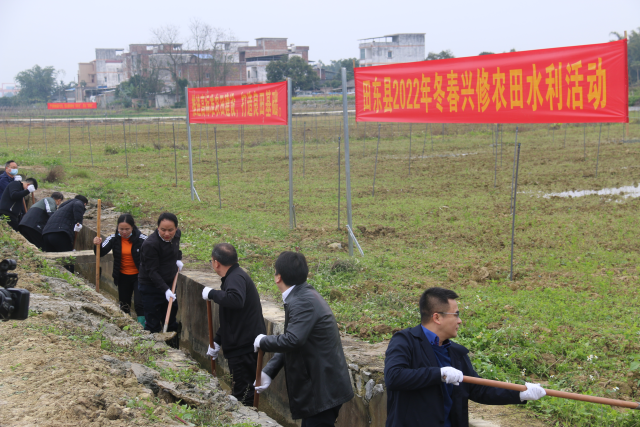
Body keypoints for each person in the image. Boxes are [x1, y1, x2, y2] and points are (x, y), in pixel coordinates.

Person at [384, 287, 546, 427]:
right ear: (437, 317)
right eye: (456, 314)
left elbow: (479, 389)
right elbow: (394, 377)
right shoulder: (405, 341)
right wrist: (438, 374)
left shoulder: (456, 353)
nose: (460, 321)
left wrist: (520, 393)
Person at [253, 251, 353, 426]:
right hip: (321, 387)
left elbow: (292, 340)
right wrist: (269, 371)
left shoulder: (302, 302)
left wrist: (263, 341)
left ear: (278, 277)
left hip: (323, 390)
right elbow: (295, 341)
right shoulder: (302, 295)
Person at [201, 243, 266, 407]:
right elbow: (233, 317)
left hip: (244, 348)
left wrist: (212, 294)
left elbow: (236, 300)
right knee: (242, 390)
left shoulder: (235, 278)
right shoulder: (233, 276)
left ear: (216, 262)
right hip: (242, 344)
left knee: (244, 395)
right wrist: (217, 340)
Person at [93, 214, 147, 326]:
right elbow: (100, 253)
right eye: (121, 229)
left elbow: (154, 250)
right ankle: (126, 326)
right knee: (124, 303)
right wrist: (96, 244)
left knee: (139, 303)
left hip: (139, 276)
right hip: (122, 276)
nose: (124, 232)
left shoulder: (142, 239)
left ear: (133, 227)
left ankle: (142, 327)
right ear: (117, 228)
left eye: (127, 229)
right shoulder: (113, 239)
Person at [137, 212, 183, 342]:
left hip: (170, 283)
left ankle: (174, 350)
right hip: (150, 287)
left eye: (170, 230)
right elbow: (152, 272)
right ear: (158, 228)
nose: (167, 234)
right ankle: (155, 353)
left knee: (171, 320)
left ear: (176, 229)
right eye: (163, 230)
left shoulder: (176, 236)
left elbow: (176, 249)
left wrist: (178, 259)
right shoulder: (150, 245)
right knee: (153, 322)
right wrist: (165, 290)